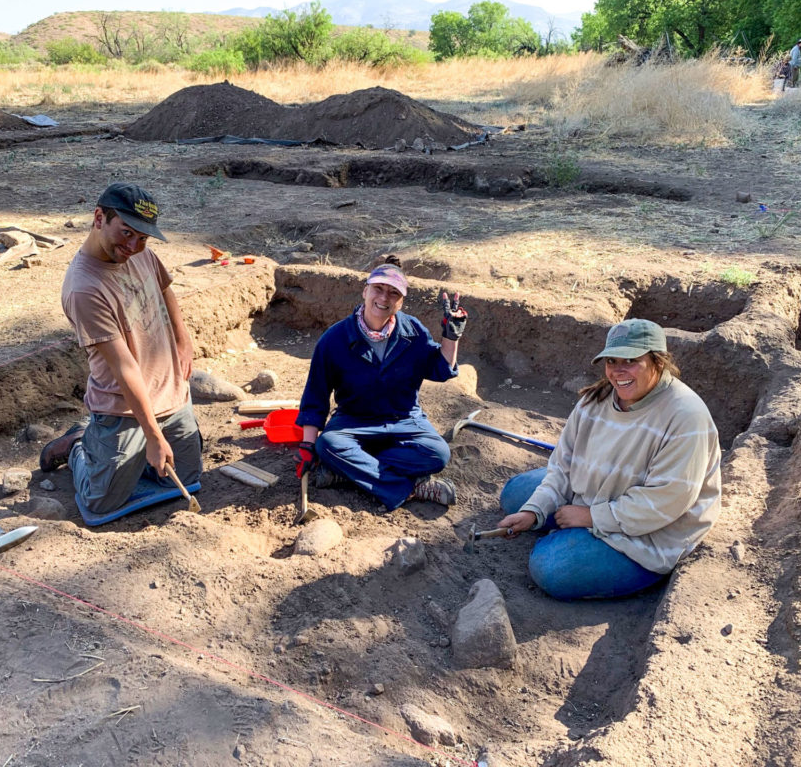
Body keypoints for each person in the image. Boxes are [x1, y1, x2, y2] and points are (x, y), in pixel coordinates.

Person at [496, 318, 721, 601]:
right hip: (596, 495)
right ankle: (572, 532)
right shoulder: (596, 400)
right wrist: (534, 511)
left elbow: (667, 501)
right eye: (612, 361)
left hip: (654, 530)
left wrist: (591, 516)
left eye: (631, 360)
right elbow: (562, 467)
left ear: (658, 362)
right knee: (516, 495)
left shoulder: (686, 417)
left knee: (550, 567)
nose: (618, 371)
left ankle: (587, 545)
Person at [39, 182, 202, 517]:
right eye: (126, 233)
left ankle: (128, 454)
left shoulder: (141, 253)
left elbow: (164, 286)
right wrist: (154, 437)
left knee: (185, 479)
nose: (133, 246)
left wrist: (183, 342)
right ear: (99, 218)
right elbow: (125, 368)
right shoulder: (84, 289)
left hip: (169, 394)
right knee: (102, 503)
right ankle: (78, 447)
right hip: (122, 407)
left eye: (142, 238)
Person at [294, 257, 468, 510]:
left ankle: (348, 471)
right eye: (378, 289)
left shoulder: (413, 331)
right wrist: (308, 445)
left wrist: (451, 337)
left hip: (404, 419)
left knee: (437, 454)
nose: (384, 298)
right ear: (365, 291)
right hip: (354, 421)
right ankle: (411, 488)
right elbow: (315, 396)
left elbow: (440, 370)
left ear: (401, 301)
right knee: (328, 445)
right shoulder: (334, 339)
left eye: (393, 293)